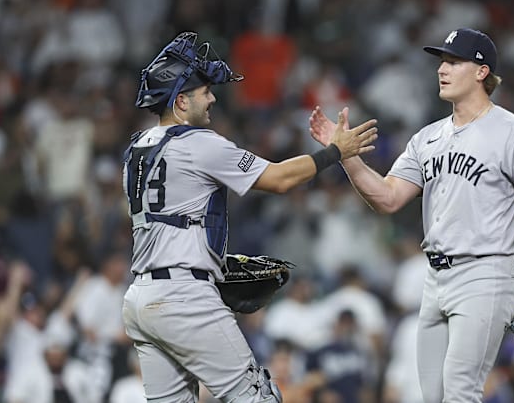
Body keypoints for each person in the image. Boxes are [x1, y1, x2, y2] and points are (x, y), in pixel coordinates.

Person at [309, 28, 514, 402]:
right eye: (441, 62)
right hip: (435, 279)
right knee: (434, 396)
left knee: (461, 391)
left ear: (481, 72)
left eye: (453, 61)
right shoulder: (427, 138)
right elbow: (388, 197)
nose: (442, 69)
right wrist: (344, 155)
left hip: (486, 273)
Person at [121, 31, 377, 403]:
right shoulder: (199, 143)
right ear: (180, 102)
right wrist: (336, 151)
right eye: (203, 91)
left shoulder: (135, 148)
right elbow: (279, 179)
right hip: (184, 296)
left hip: (142, 297)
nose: (212, 97)